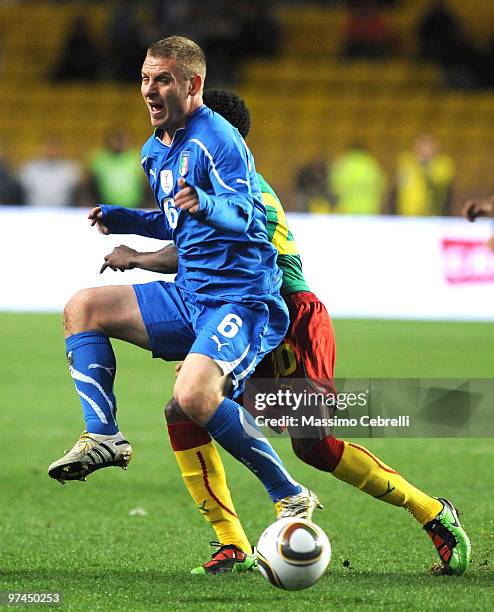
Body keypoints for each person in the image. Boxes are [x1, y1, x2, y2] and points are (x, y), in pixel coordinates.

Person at [102, 89, 471, 577]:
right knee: (185, 407)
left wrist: (140, 258)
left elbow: (197, 254)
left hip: (291, 318)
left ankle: (433, 513)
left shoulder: (245, 192)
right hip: (242, 313)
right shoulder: (209, 187)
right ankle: (231, 544)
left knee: (313, 443)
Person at [48, 38, 318, 568]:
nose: (150, 89)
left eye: (163, 79)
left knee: (193, 396)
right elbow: (178, 223)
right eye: (146, 78)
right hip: (189, 294)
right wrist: (126, 219)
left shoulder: (220, 141)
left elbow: (245, 217)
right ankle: (104, 438)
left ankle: (290, 494)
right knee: (83, 307)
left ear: (193, 85)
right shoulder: (156, 148)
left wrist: (209, 203)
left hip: (241, 300)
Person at [390, 133, 455, 216]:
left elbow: (439, 184)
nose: (423, 149)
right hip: (406, 214)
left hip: (432, 215)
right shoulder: (406, 162)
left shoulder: (443, 164)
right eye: (421, 145)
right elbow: (398, 186)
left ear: (435, 148)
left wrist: (425, 165)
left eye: (427, 146)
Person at [88, 128, 149, 208]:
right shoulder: (99, 159)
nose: (119, 143)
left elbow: (146, 184)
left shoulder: (137, 158)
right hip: (105, 207)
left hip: (135, 207)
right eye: (115, 139)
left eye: (122, 139)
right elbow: (89, 184)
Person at [18, 135, 83, 207]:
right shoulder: (29, 168)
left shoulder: (71, 169)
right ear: (40, 148)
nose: (51, 151)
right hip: (34, 212)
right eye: (47, 147)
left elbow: (79, 194)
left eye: (55, 147)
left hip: (64, 213)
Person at [329, 142, 387, 215]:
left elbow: (332, 187)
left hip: (346, 210)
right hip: (369, 210)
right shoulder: (371, 165)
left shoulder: (342, 164)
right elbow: (382, 187)